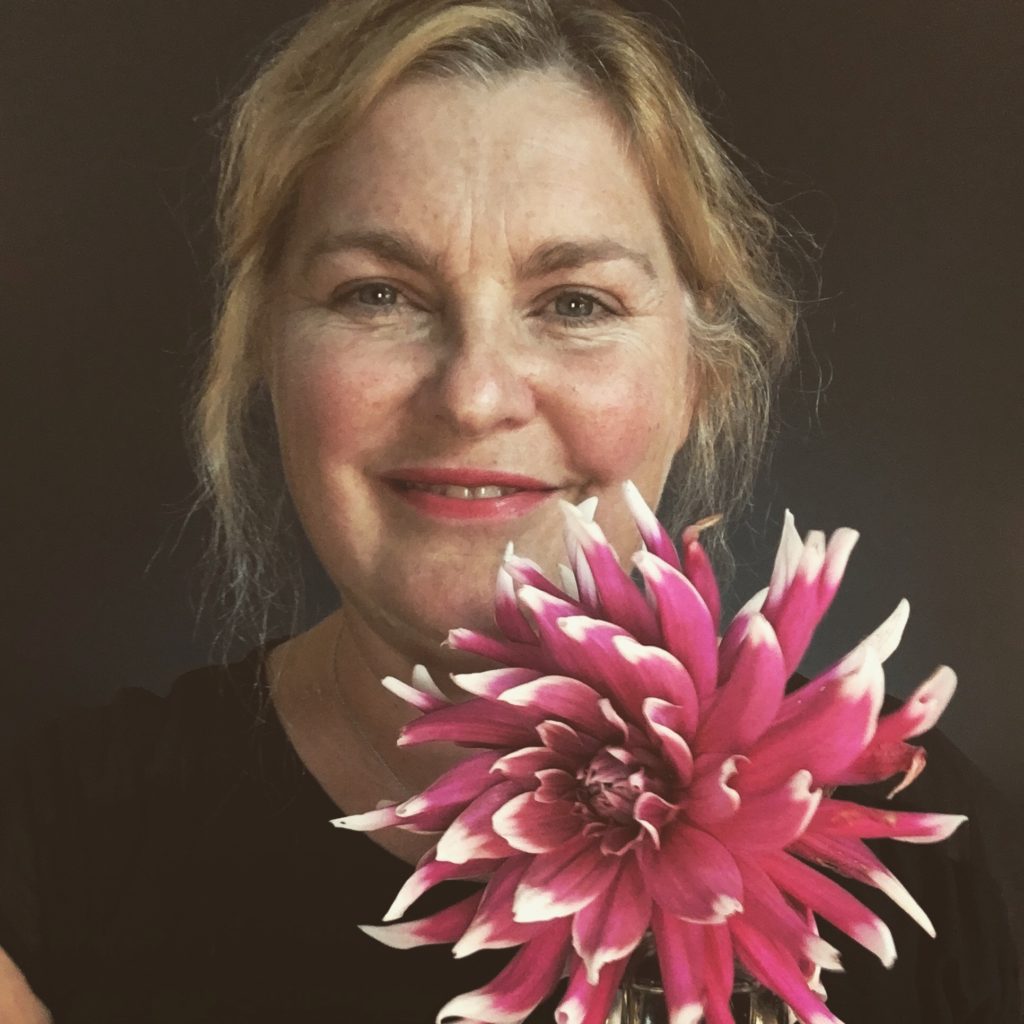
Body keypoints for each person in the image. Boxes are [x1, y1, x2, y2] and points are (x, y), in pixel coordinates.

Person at [0, 1, 1018, 1021]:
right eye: (377, 295)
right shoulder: (57, 849)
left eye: (575, 302)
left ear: (698, 375)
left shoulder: (913, 833)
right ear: (269, 351)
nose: (475, 394)